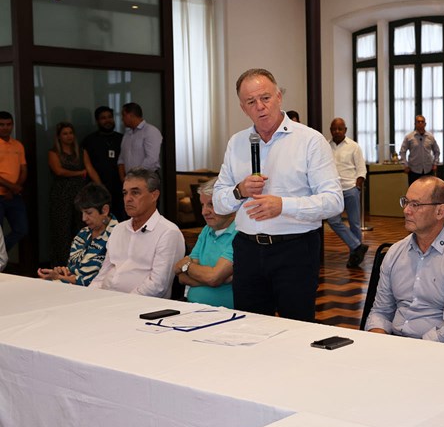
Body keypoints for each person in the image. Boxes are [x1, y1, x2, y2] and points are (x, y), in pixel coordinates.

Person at [213, 68, 343, 322]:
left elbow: (333, 201)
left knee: (296, 329)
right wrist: (239, 191)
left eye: (266, 98)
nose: (260, 107)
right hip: (247, 250)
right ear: (243, 108)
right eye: (251, 102)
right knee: (249, 328)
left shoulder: (310, 140)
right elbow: (218, 202)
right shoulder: (237, 142)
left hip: (295, 250)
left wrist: (283, 205)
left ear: (279, 97)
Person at [365, 176, 444, 345]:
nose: (406, 210)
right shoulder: (395, 253)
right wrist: (378, 343)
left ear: (440, 212)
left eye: (415, 204)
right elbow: (380, 312)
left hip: (438, 351)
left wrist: (411, 350)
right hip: (394, 345)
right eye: (405, 202)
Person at [90, 169, 184, 297]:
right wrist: (89, 296)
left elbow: (157, 286)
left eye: (135, 192)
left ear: (154, 195)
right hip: (106, 299)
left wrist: (122, 302)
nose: (128, 199)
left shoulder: (168, 232)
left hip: (139, 304)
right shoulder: (118, 229)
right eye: (125, 193)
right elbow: (102, 276)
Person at [37, 183, 118, 286]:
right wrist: (63, 271)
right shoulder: (83, 233)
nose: (83, 218)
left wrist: (61, 278)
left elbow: (101, 280)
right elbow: (73, 268)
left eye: (89, 213)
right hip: (71, 286)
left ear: (105, 210)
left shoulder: (117, 235)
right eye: (82, 213)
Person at [173, 178, 236, 308]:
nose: (204, 212)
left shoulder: (239, 233)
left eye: (211, 205)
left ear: (229, 204)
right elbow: (181, 277)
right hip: (191, 307)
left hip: (224, 312)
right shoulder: (207, 230)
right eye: (202, 205)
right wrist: (219, 279)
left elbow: (213, 277)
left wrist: (186, 266)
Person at [48, 121, 99, 264]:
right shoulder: (54, 153)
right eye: (65, 133)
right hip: (61, 194)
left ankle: (80, 261)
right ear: (59, 136)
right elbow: (59, 171)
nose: (69, 136)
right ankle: (61, 263)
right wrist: (80, 173)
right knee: (61, 229)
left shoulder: (81, 151)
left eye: (71, 133)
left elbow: (90, 169)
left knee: (81, 227)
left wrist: (100, 187)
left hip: (80, 194)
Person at [327, 117, 368, 268]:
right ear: (330, 130)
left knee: (355, 224)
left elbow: (361, 169)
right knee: (333, 220)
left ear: (345, 130)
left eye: (340, 129)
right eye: (334, 129)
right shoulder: (325, 146)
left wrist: (357, 187)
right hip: (333, 190)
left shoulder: (354, 146)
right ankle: (357, 246)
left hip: (350, 189)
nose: (337, 131)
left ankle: (355, 256)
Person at [82, 106, 124, 219]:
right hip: (97, 189)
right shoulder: (89, 140)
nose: (107, 120)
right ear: (97, 121)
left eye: (110, 117)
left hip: (119, 188)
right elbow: (88, 165)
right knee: (100, 220)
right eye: (103, 118)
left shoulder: (122, 139)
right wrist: (101, 186)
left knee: (120, 219)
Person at [0, 111, 27, 252]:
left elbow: (24, 169)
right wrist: (12, 187)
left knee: (21, 229)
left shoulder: (18, 145)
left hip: (14, 196)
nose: (5, 127)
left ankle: (0, 254)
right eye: (2, 125)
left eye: (8, 124)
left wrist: (14, 189)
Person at [117, 102, 163, 179]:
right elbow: (121, 159)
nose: (122, 119)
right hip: (130, 180)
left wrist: (135, 177)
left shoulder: (150, 131)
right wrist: (123, 179)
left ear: (131, 115)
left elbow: (152, 159)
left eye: (124, 115)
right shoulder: (127, 134)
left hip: (147, 178)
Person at [399, 115, 440, 186]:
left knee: (428, 190)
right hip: (414, 171)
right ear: (415, 124)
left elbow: (437, 151)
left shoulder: (430, 137)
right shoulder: (409, 137)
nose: (420, 123)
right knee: (415, 191)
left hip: (428, 170)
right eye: (418, 122)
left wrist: (435, 163)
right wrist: (405, 165)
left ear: (425, 124)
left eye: (422, 122)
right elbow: (402, 152)